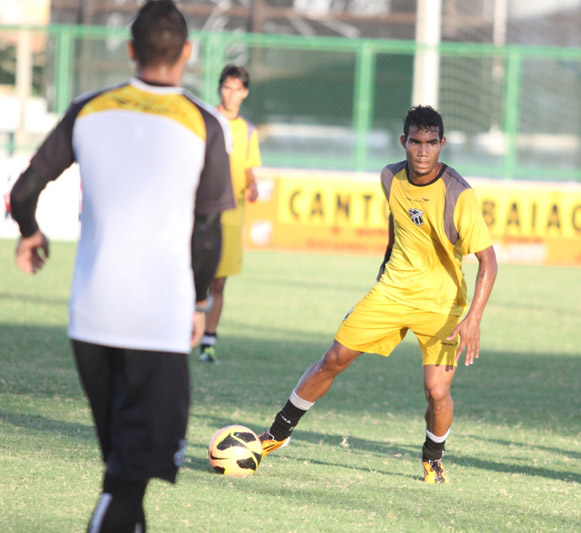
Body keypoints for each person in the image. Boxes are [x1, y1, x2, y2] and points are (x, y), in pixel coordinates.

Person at [10, 1, 234, 530]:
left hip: (90, 317)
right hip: (156, 322)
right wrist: (201, 301)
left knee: (124, 471)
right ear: (188, 53)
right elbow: (207, 233)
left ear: (131, 50)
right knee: (129, 480)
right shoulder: (204, 124)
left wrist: (30, 233)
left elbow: (23, 192)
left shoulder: (89, 107)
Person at [257, 105, 497, 483]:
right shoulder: (389, 177)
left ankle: (433, 457)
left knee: (437, 393)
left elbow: (489, 261)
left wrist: (474, 319)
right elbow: (397, 217)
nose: (422, 151)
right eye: (415, 142)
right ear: (404, 142)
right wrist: (387, 262)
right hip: (391, 292)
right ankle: (278, 433)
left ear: (442, 144)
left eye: (431, 143)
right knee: (332, 359)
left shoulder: (459, 195)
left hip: (441, 304)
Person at [199, 64, 261, 364]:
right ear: (219, 88)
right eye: (226, 87)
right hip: (202, 210)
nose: (231, 94)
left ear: (245, 93)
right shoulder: (207, 120)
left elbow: (248, 168)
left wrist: (252, 184)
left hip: (232, 213)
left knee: (219, 283)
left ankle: (208, 343)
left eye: (237, 89)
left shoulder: (248, 131)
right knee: (191, 275)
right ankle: (181, 332)